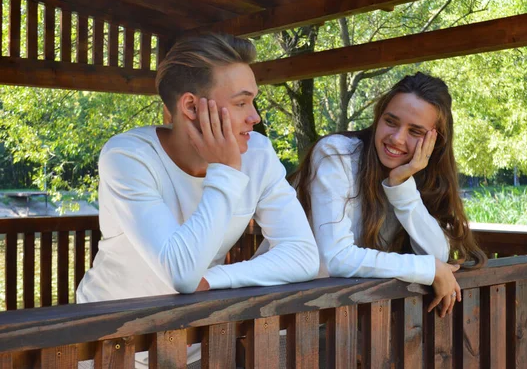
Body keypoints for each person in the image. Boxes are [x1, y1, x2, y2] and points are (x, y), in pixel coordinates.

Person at [76, 33, 319, 367]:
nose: (255, 117)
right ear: (191, 106)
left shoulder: (258, 154)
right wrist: (226, 171)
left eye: (253, 102)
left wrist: (216, 280)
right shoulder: (128, 155)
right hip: (109, 346)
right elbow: (181, 273)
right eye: (241, 103)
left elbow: (303, 254)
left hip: (194, 346)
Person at [291, 72, 487, 317]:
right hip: (282, 316)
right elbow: (335, 257)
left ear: (435, 141)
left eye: (415, 132)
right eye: (391, 122)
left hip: (343, 321)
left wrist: (401, 186)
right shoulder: (336, 154)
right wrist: (427, 268)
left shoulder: (419, 176)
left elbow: (436, 255)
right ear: (378, 117)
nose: (397, 138)